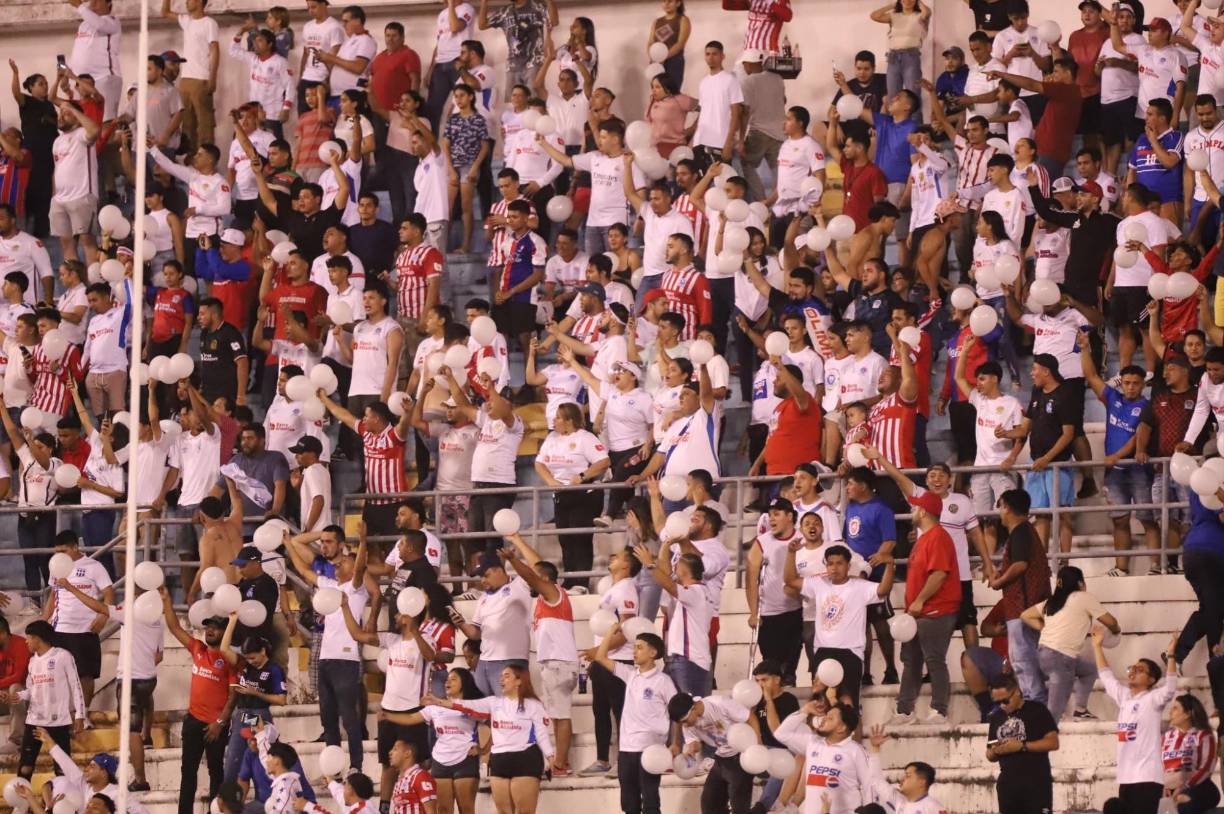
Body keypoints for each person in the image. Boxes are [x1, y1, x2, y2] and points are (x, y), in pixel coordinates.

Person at [285, 531, 370, 773]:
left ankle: (356, 765)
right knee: (328, 718)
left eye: (345, 562)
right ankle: (334, 768)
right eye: (341, 562)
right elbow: (303, 571)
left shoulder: (356, 589)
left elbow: (361, 567)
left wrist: (362, 541)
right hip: (326, 659)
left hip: (346, 660)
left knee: (349, 718)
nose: (340, 564)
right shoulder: (331, 586)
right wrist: (286, 545)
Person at [782, 542, 894, 707]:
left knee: (849, 707)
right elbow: (790, 580)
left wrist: (890, 565)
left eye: (839, 563)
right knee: (821, 706)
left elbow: (883, 590)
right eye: (830, 563)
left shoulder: (860, 586)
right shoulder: (818, 584)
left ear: (849, 566)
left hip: (851, 653)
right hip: (822, 652)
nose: (834, 567)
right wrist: (791, 553)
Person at [431, 665, 554, 814]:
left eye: (507, 676)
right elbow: (468, 705)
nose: (501, 679)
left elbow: (541, 733)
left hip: (525, 757)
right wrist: (439, 702)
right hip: (499, 760)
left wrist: (550, 756)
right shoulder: (493, 702)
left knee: (525, 811)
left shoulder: (533, 705)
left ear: (519, 681)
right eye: (501, 676)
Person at [157, 589, 235, 814]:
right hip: (193, 720)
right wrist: (167, 601)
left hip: (216, 725)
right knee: (187, 771)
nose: (210, 630)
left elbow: (233, 696)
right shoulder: (198, 649)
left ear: (224, 631)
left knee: (215, 771)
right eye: (208, 626)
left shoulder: (229, 659)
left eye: (216, 627)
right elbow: (174, 628)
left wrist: (219, 723)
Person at [1093, 626, 1180, 814]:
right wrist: (1097, 647)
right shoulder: (1124, 697)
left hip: (1148, 778)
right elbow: (1107, 677)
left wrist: (1171, 656)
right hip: (1125, 777)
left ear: (1151, 680)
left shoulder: (1153, 699)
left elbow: (1171, 687)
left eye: (1139, 669)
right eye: (1131, 668)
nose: (1132, 671)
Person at [590, 623, 674, 814]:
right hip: (627, 749)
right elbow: (600, 657)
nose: (634, 652)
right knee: (629, 805)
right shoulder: (630, 675)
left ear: (653, 653)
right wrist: (610, 633)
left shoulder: (664, 681)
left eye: (639, 647)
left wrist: (673, 743)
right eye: (634, 647)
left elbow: (675, 714)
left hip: (650, 750)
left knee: (651, 802)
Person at [1020, 565, 1120, 721]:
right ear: (1080, 583)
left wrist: (1044, 628)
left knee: (1089, 670)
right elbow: (1111, 621)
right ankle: (1044, 737)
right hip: (1061, 658)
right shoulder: (1084, 597)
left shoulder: (1052, 602)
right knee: (1054, 714)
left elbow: (1025, 615)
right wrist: (1116, 630)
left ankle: (1080, 708)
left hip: (1043, 655)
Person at [989, 488, 1051, 705]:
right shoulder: (1026, 531)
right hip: (1030, 607)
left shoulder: (1020, 531)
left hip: (1023, 608)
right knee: (1031, 660)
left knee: (1023, 661)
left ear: (1006, 507)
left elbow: (1020, 565)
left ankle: (1035, 706)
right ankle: (1039, 705)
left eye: (1001, 506)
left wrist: (999, 581)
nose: (1000, 512)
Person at [13, 620, 85, 784]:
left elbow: (76, 685)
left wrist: (80, 715)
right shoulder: (32, 662)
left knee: (62, 768)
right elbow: (32, 690)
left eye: (28, 638)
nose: (26, 641)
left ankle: (64, 806)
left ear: (37, 638)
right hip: (34, 721)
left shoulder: (63, 656)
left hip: (58, 721)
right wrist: (17, 696)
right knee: (25, 767)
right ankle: (22, 807)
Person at [46, 529, 113, 707]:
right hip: (59, 629)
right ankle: (64, 715)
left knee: (86, 675)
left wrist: (103, 616)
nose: (59, 556)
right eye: (57, 552)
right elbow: (53, 596)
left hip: (85, 629)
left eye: (63, 551)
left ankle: (84, 715)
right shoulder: (55, 567)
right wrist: (43, 620)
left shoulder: (94, 566)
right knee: (58, 676)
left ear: (75, 547)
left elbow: (108, 593)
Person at [450, 555, 531, 696]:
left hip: (510, 660)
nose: (482, 581)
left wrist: (516, 546)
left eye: (486, 575)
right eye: (480, 577)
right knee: (482, 709)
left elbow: (536, 567)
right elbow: (475, 634)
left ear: (499, 570)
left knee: (509, 708)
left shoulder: (520, 584)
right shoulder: (483, 598)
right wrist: (461, 623)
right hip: (484, 661)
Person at [773, 702, 870, 814]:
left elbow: (870, 787)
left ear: (841, 728)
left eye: (830, 718)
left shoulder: (856, 751)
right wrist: (805, 710)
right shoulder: (813, 743)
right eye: (825, 716)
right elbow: (781, 734)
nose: (823, 719)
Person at [746, 499, 803, 686]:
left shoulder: (802, 539)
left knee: (790, 667)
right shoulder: (762, 542)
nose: (771, 519)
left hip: (795, 610)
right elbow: (751, 578)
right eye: (770, 514)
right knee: (771, 664)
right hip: (769, 612)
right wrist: (754, 613)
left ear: (789, 516)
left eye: (776, 514)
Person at [986, 672, 1060, 814]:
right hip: (1007, 786)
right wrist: (995, 751)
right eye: (996, 702)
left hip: (1036, 784)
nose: (1001, 706)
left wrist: (1022, 746)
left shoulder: (1037, 710)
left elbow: (1053, 742)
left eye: (1005, 701)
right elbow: (989, 753)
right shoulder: (996, 717)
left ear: (1017, 692)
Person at [669, 692, 753, 814]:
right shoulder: (687, 724)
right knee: (709, 805)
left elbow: (750, 717)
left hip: (740, 757)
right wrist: (691, 751)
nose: (685, 725)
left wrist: (757, 746)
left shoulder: (720, 703)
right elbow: (695, 742)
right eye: (681, 723)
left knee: (739, 808)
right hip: (721, 758)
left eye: (685, 721)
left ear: (694, 708)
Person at [864, 725, 944, 814]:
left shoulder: (933, 807)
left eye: (908, 776)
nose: (902, 779)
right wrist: (875, 749)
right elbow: (876, 780)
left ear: (921, 782)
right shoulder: (899, 801)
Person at [1161, 694, 1219, 814]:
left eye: (1175, 708)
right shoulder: (1166, 737)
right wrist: (1162, 786)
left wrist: (1185, 786)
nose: (1170, 712)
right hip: (1166, 787)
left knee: (1184, 802)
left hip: (1195, 786)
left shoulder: (1204, 735)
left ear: (1188, 714)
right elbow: (1156, 766)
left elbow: (1206, 768)